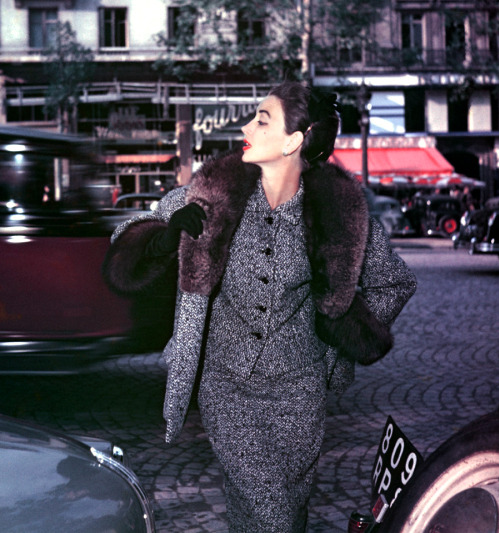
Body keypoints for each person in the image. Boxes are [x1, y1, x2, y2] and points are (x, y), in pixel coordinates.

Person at [102, 81, 417, 533]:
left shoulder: (337, 212)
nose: (246, 126)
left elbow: (394, 282)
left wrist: (340, 327)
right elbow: (124, 237)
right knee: (273, 513)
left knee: (276, 509)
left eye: (261, 119)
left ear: (294, 140)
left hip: (300, 397)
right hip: (228, 389)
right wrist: (163, 236)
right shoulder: (215, 194)